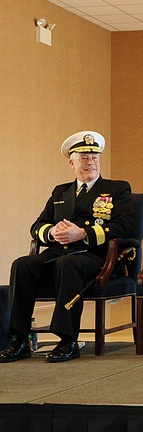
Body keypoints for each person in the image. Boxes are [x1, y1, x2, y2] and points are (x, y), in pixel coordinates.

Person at [0, 131, 134, 363]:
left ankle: (67, 340)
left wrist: (82, 233)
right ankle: (19, 339)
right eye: (84, 157)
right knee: (22, 265)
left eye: (94, 156)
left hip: (94, 255)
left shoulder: (116, 189)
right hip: (58, 252)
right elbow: (37, 226)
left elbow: (125, 226)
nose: (90, 162)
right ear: (72, 163)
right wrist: (51, 232)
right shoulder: (60, 192)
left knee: (68, 263)